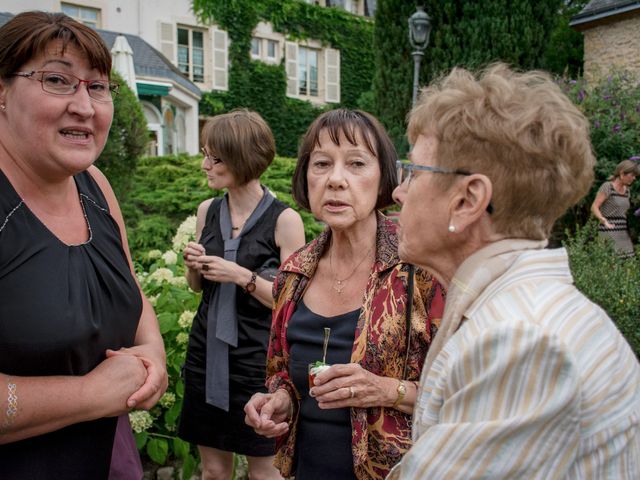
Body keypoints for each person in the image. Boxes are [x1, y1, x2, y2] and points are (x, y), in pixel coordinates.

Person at [389, 64, 640, 479]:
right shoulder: (517, 312)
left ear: (468, 201)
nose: (399, 190)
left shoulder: (521, 340)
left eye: (412, 172)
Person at [0, 11, 167, 479]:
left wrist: (152, 353)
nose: (85, 106)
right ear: (1, 91)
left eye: (97, 87)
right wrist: (93, 394)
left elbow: (131, 290)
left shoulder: (95, 185)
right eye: (57, 80)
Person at [244, 109, 445, 480]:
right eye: (321, 164)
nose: (336, 180)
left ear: (385, 176)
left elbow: (462, 393)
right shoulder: (293, 273)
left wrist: (385, 389)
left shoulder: (420, 270)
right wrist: (280, 401)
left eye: (356, 164)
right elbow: (281, 373)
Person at [177, 109, 306, 480]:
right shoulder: (207, 211)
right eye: (204, 154)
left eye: (214, 157)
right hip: (206, 355)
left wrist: (241, 276)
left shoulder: (285, 221)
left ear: (242, 158)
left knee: (264, 472)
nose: (205, 165)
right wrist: (193, 265)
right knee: (213, 471)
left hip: (257, 363)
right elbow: (197, 287)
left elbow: (291, 304)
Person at [591, 159, 638, 258]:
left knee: (629, 262)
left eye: (635, 176)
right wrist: (603, 220)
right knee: (611, 264)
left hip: (623, 232)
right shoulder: (607, 187)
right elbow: (594, 207)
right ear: (622, 173)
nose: (634, 178)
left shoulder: (627, 191)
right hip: (608, 229)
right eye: (632, 175)